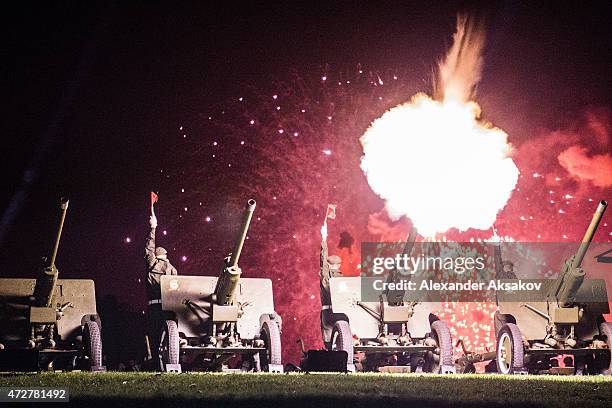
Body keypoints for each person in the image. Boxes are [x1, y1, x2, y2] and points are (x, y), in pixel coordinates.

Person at [145, 214, 177, 369]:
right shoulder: (173, 270)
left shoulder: (152, 264)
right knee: (169, 340)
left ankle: (156, 365)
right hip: (169, 309)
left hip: (154, 308)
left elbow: (149, 247)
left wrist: (153, 227)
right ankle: (169, 365)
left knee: (154, 338)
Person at [319, 222, 344, 349]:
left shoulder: (326, 277)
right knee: (343, 339)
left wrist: (324, 240)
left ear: (328, 266)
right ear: (339, 266)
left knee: (328, 341)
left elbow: (323, 262)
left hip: (328, 311)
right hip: (343, 312)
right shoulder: (344, 280)